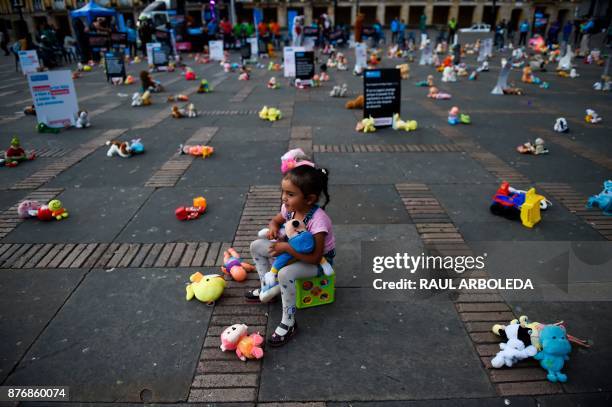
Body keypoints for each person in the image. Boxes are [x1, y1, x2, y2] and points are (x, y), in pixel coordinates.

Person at [247, 165, 335, 346]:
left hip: (318, 264)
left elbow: (316, 257)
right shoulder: (290, 209)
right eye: (283, 192)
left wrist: (286, 248)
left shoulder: (319, 221)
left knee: (285, 274)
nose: (284, 198)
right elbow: (276, 220)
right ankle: (267, 288)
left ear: (309, 199)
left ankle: (289, 322)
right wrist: (272, 227)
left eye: (290, 194)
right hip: (290, 253)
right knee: (256, 246)